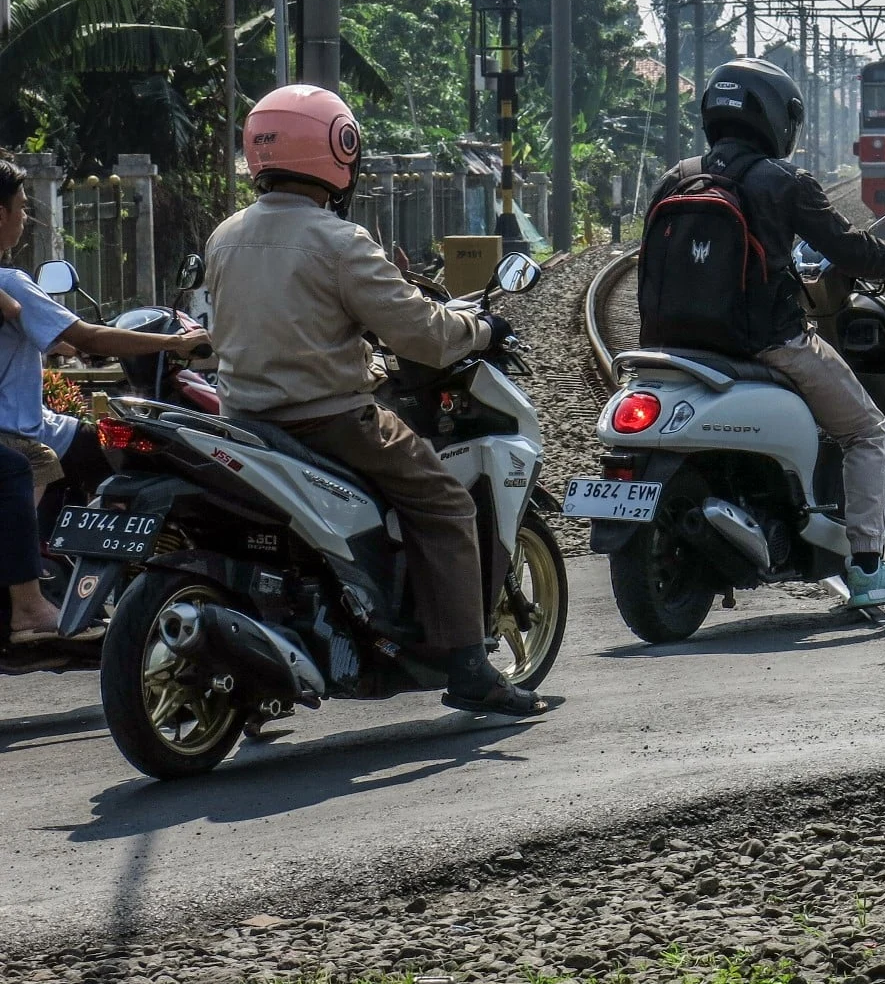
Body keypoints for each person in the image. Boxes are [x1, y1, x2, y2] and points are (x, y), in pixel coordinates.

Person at [203, 85, 544, 715]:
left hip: (242, 421)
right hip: (331, 422)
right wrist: (485, 329)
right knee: (443, 502)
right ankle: (468, 663)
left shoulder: (225, 236)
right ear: (340, 149)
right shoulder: (338, 240)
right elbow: (423, 332)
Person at [645, 58, 885, 607]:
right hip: (766, 343)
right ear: (777, 119)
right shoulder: (783, 183)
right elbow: (848, 248)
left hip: (672, 347)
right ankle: (869, 566)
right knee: (868, 430)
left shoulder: (674, 178)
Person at [1, 159, 209, 641]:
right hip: (21, 433)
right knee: (125, 460)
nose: (26, 218)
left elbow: (58, 335)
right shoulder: (10, 283)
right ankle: (35, 602)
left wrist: (59, 341)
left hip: (40, 423)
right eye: (22, 208)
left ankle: (63, 569)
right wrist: (173, 345)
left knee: (94, 444)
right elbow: (91, 336)